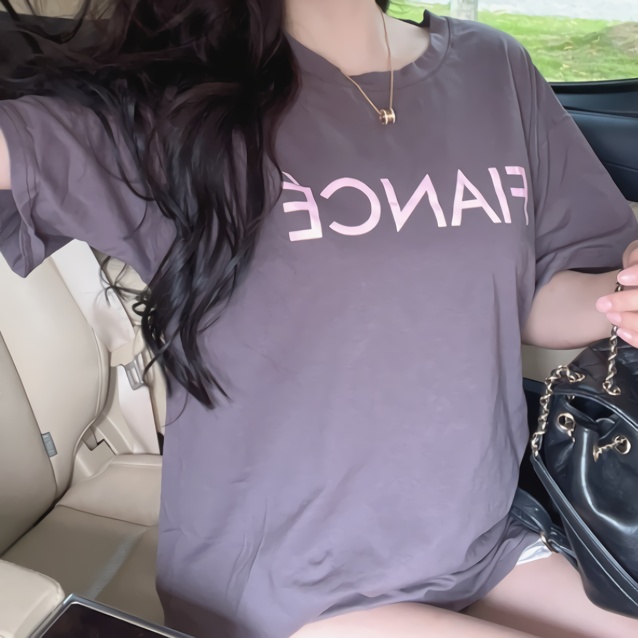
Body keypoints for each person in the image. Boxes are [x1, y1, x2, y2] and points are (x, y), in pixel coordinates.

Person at [1, 1, 638, 636]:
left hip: (477, 541)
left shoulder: (494, 67)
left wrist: (620, 296)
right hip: (295, 584)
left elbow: (525, 295)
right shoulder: (176, 102)